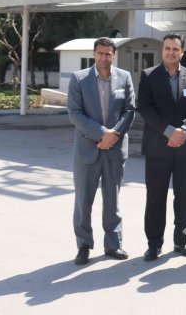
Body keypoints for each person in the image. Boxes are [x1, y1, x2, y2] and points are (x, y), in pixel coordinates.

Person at [67, 37, 136, 265]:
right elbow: (75, 113)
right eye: (100, 53)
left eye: (108, 53)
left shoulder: (124, 77)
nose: (104, 57)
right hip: (88, 149)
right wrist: (101, 134)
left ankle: (113, 244)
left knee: (112, 200)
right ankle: (83, 245)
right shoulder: (79, 79)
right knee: (83, 201)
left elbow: (129, 110)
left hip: (115, 148)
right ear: (94, 54)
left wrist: (113, 135)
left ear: (113, 55)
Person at [138, 33, 186, 261]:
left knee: (183, 197)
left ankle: (182, 241)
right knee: (155, 198)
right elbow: (145, 108)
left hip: (184, 148)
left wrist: (184, 129)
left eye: (175, 49)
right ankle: (154, 244)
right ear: (162, 50)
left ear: (182, 52)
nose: (171, 52)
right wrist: (169, 131)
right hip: (158, 148)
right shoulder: (149, 76)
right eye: (167, 48)